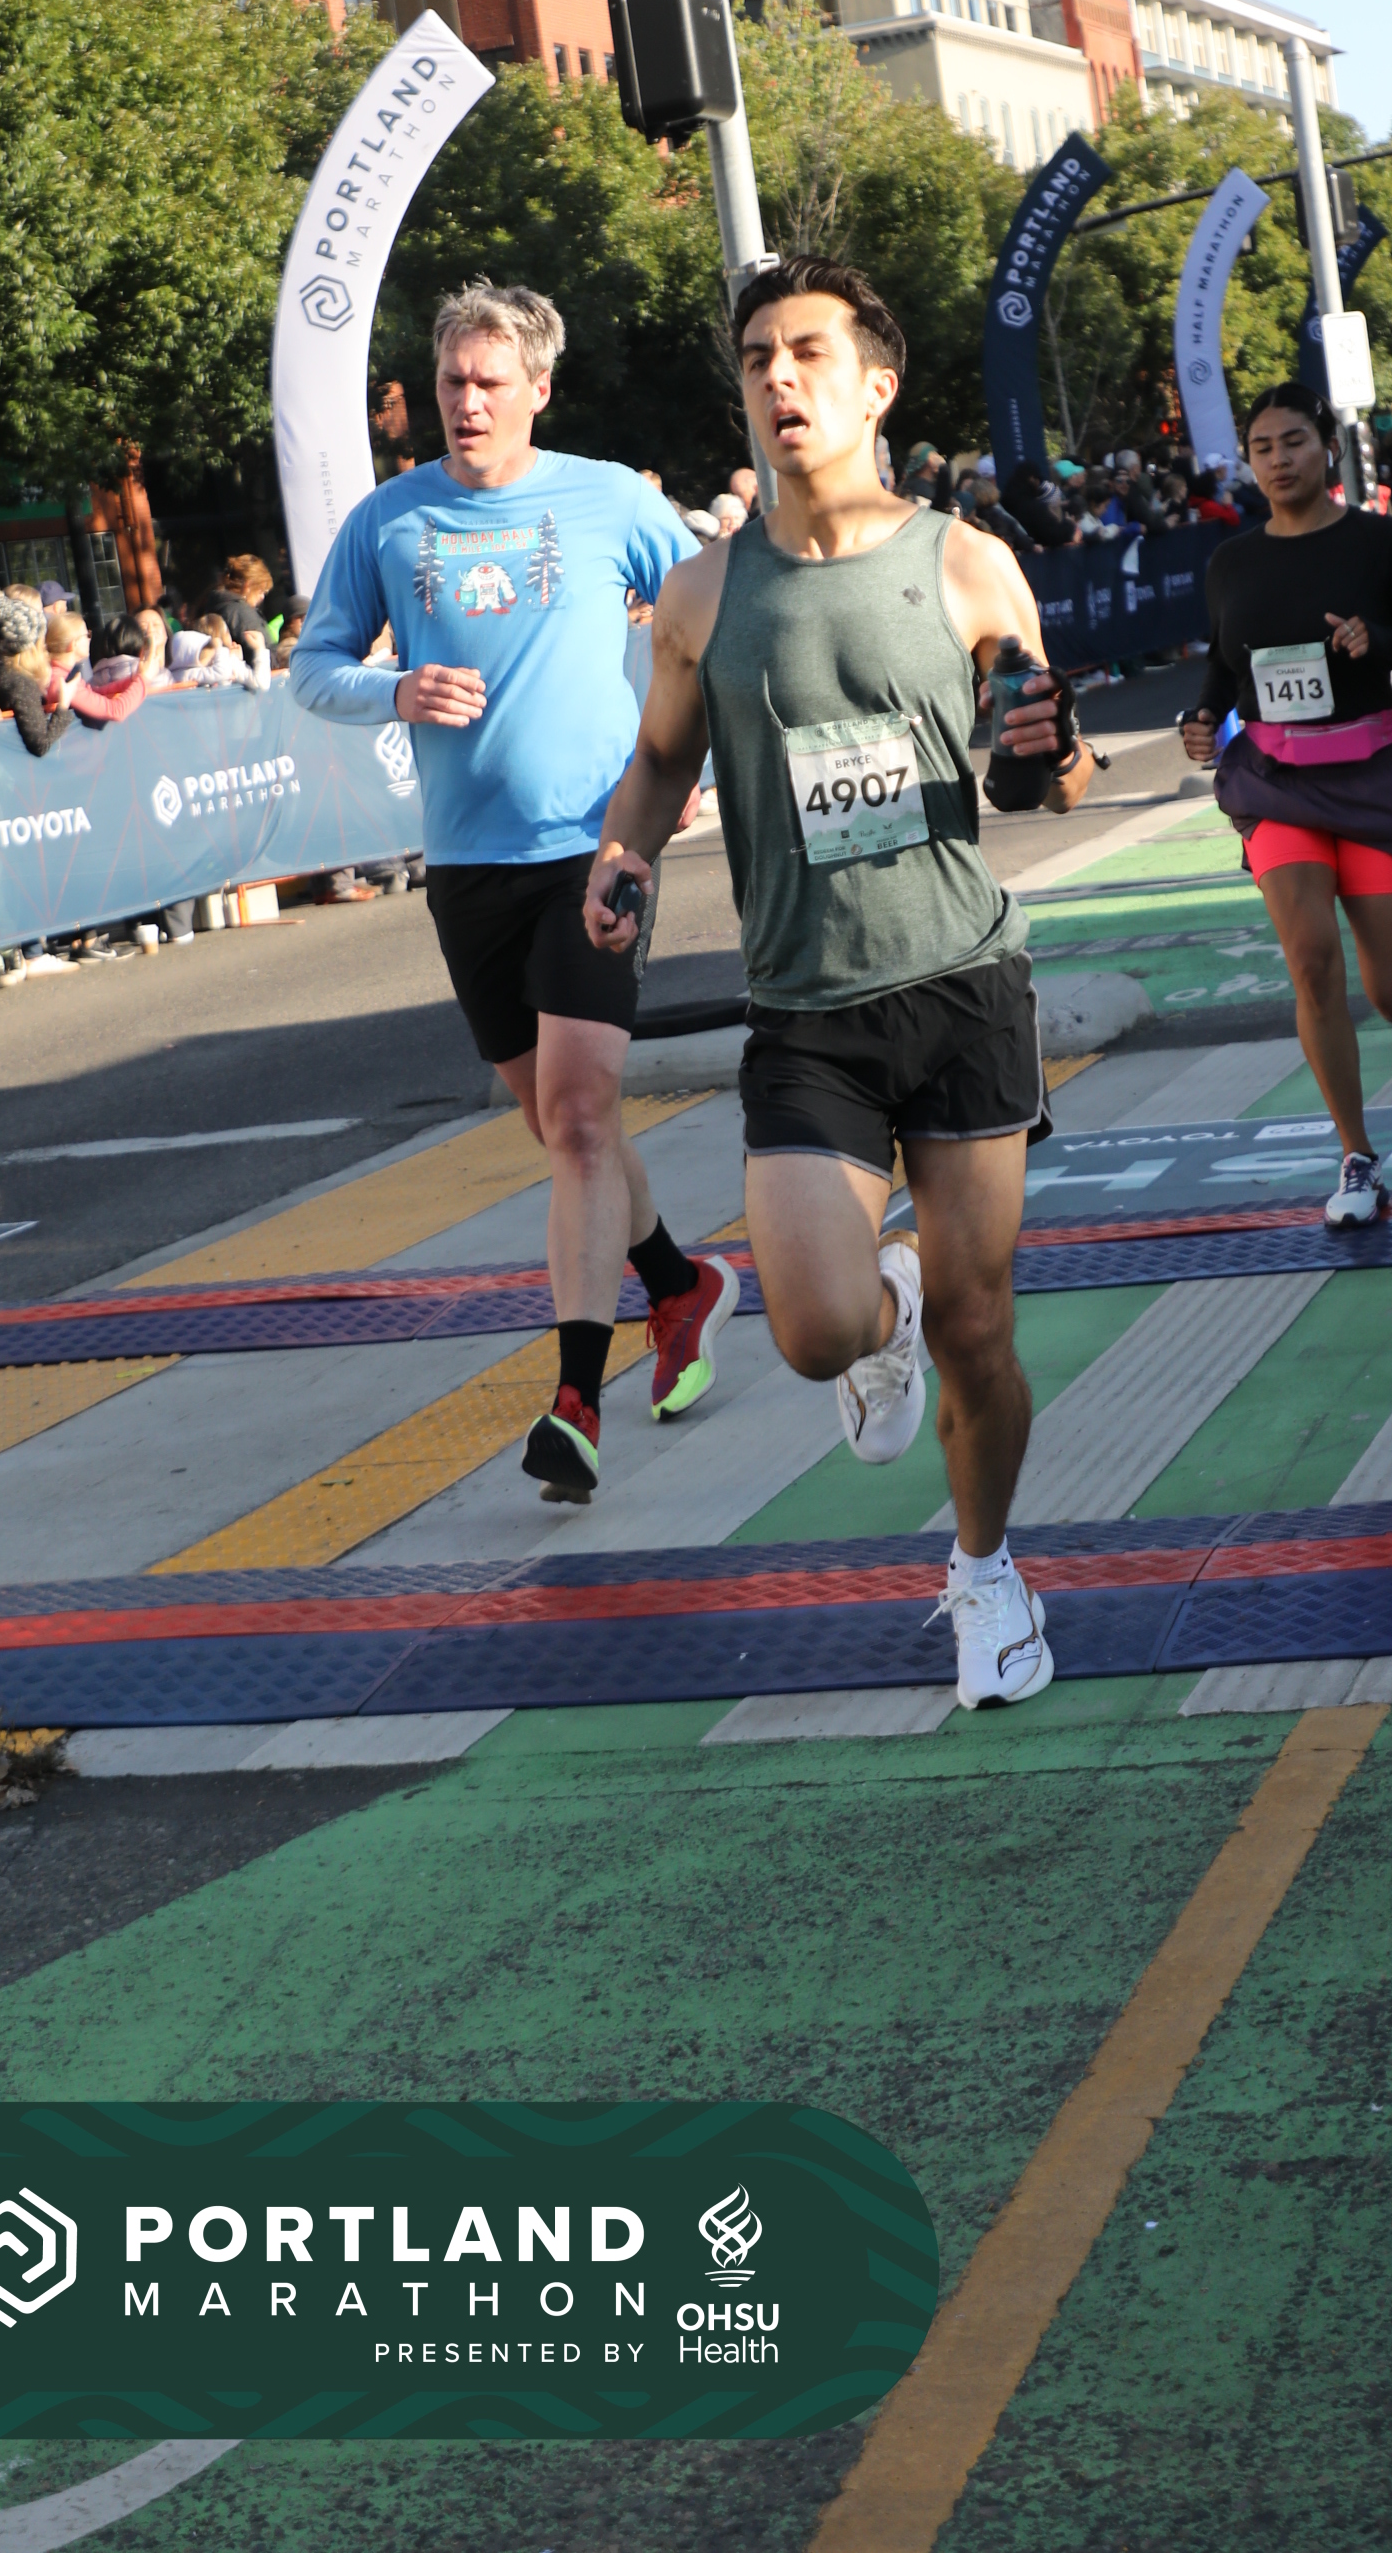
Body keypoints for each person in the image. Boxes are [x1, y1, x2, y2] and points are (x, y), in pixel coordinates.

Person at [587, 254, 1093, 1712]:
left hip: (963, 986)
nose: (777, 378)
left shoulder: (966, 563)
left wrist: (1048, 747)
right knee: (814, 1330)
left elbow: (1046, 772)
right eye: (757, 358)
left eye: (805, 351)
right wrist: (622, 856)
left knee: (980, 1330)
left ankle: (986, 1576)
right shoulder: (701, 594)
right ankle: (882, 1305)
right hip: (806, 1007)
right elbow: (661, 763)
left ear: (876, 386)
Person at [290, 279, 739, 1505]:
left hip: (597, 850)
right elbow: (313, 668)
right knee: (557, 1125)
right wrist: (393, 690)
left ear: (538, 388)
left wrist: (685, 770)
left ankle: (574, 1403)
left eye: (490, 381)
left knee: (584, 1119)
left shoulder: (609, 498)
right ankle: (679, 1285)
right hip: (467, 870)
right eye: (452, 381)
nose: (468, 401)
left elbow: (715, 622)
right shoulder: (388, 520)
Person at [1181, 384, 1392, 1229]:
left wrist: (1377, 640)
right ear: (1248, 461)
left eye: (1294, 442)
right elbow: (1224, 662)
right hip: (1277, 786)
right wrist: (1202, 716)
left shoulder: (1376, 543)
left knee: (1388, 991)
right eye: (1263, 447)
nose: (1279, 460)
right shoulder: (1231, 562)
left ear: (1326, 448)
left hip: (1373, 778)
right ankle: (1356, 1156)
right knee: (1311, 959)